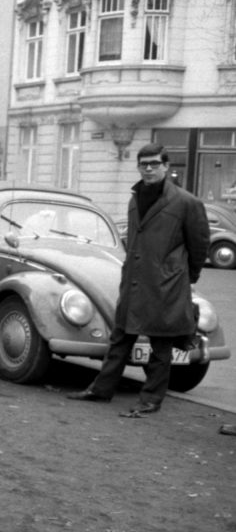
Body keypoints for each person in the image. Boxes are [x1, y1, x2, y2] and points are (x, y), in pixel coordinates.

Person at [67, 144, 209, 417]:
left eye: (155, 163)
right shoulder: (136, 198)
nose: (149, 168)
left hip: (165, 285)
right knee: (120, 337)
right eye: (143, 164)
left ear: (167, 167)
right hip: (133, 281)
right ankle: (101, 390)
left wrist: (185, 278)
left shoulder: (186, 202)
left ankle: (150, 399)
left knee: (160, 345)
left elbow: (199, 246)